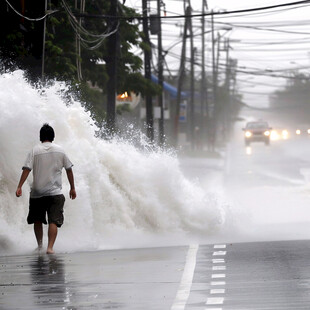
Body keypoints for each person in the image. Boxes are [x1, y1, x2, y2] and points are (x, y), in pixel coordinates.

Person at [16, 123, 76, 254]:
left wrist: (19, 186)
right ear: (53, 136)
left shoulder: (34, 150)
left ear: (40, 137)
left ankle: (39, 246)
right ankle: (50, 248)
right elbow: (69, 170)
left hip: (37, 193)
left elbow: (26, 169)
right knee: (53, 221)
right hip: (55, 193)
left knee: (37, 220)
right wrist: (72, 188)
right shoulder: (60, 150)